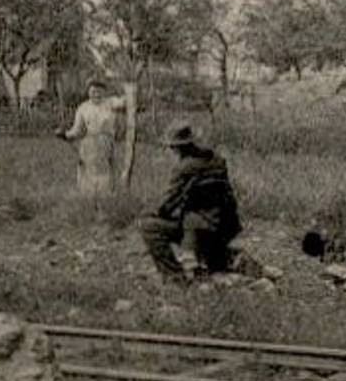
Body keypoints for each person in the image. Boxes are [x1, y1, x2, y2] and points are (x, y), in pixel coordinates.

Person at [139, 121, 241, 282]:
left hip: (198, 230)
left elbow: (166, 205)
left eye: (171, 147)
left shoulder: (184, 168)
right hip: (226, 227)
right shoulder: (218, 160)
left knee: (148, 227)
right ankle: (217, 258)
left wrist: (149, 212)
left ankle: (175, 276)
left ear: (177, 148)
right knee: (195, 224)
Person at [55, 78, 124, 195]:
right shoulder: (83, 108)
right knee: (87, 169)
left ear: (105, 92)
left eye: (99, 91)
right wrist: (65, 135)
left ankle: (106, 195)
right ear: (88, 92)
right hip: (89, 143)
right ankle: (88, 196)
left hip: (106, 142)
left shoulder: (111, 103)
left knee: (105, 170)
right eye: (93, 91)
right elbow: (76, 130)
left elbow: (126, 101)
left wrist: (129, 87)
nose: (96, 94)